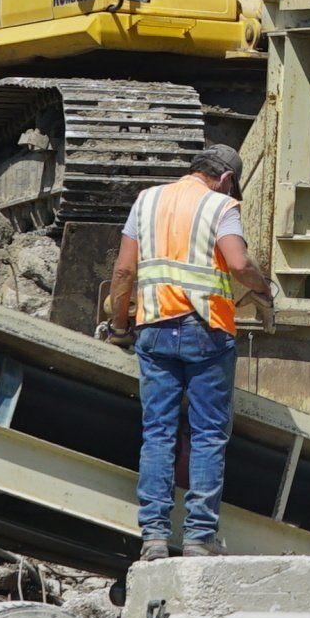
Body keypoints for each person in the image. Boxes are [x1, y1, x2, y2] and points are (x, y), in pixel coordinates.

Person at [102, 144, 274, 561]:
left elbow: (124, 271)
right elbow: (237, 262)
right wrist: (264, 288)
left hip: (154, 330)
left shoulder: (146, 201)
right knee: (207, 436)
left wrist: (121, 325)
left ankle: (155, 537)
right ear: (227, 178)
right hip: (206, 333)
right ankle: (199, 538)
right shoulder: (221, 206)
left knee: (157, 433)